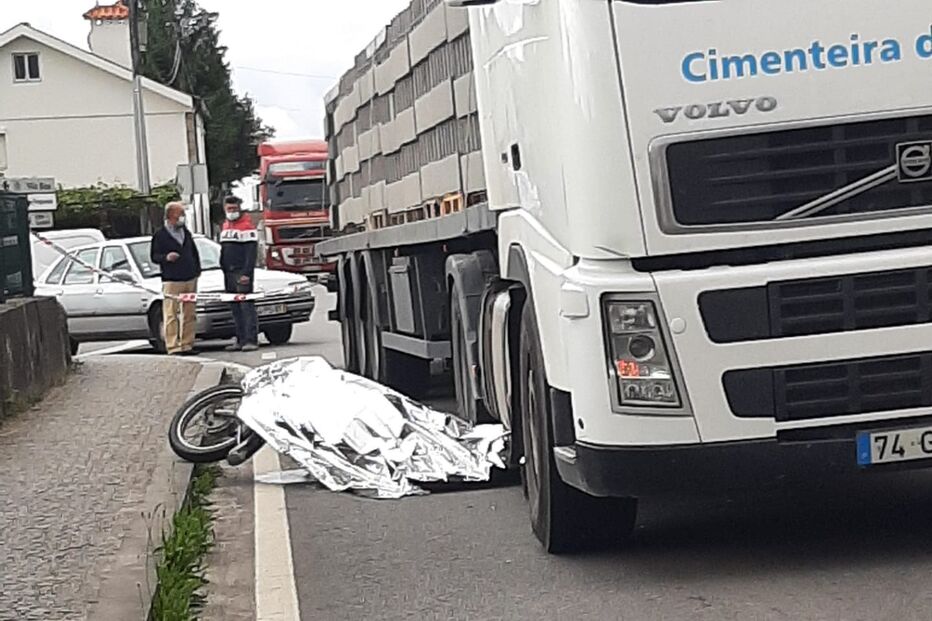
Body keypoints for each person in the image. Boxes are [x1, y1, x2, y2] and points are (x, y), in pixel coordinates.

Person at [150, 202, 201, 355]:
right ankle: (173, 346)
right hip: (172, 279)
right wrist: (166, 257)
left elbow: (193, 252)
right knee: (171, 313)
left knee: (189, 313)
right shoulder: (160, 235)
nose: (182, 217)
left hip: (189, 277)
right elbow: (154, 256)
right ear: (171, 215)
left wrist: (197, 269)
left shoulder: (186, 232)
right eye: (180, 214)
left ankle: (187, 344)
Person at [220, 196, 260, 352]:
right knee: (235, 308)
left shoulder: (247, 226)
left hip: (241, 272)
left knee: (246, 307)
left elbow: (251, 253)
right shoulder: (225, 225)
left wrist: (246, 273)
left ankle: (250, 339)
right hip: (228, 273)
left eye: (234, 209)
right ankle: (240, 339)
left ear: (239, 208)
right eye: (229, 209)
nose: (232, 212)